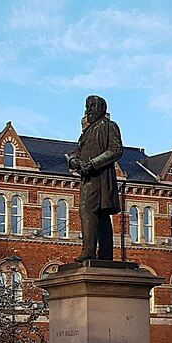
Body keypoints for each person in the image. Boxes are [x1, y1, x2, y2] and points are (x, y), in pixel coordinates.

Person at [68, 95, 123, 261]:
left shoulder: (109, 126)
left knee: (87, 210)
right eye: (87, 106)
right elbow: (75, 153)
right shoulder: (86, 132)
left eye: (93, 106)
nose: (89, 110)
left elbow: (116, 150)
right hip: (87, 177)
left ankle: (89, 252)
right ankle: (105, 255)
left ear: (102, 109)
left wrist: (93, 163)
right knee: (100, 215)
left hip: (101, 177)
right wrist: (74, 161)